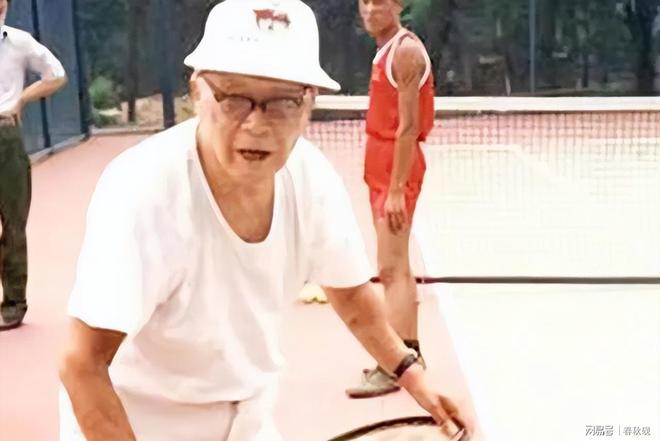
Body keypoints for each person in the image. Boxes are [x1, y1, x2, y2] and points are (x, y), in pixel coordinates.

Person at [57, 1, 469, 440]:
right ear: (197, 93)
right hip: (136, 421)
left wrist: (414, 377)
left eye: (283, 102)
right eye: (234, 97)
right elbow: (82, 364)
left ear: (308, 105)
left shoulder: (311, 180)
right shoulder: (142, 190)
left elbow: (352, 297)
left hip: (246, 418)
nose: (256, 124)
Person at [346, 0, 435, 398]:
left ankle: (396, 365)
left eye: (378, 2)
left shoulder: (406, 51)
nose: (369, 9)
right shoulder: (384, 50)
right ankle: (408, 355)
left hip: (397, 166)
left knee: (391, 267)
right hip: (381, 162)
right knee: (394, 266)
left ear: (397, 4)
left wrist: (397, 188)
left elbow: (409, 127)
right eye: (364, 1)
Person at [0, 0, 67, 331]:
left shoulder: (18, 41)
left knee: (13, 223)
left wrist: (21, 100)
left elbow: (56, 75)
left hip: (4, 135)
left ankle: (13, 304)